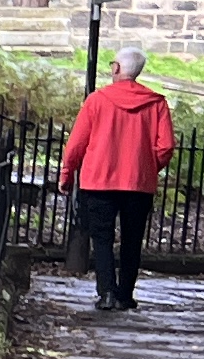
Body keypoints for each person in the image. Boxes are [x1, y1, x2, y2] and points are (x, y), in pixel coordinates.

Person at [61, 48, 176, 310]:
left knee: (101, 238)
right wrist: (147, 167)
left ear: (116, 69)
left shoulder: (97, 100)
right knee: (132, 239)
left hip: (99, 181)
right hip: (138, 183)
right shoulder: (156, 103)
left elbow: (77, 144)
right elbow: (166, 146)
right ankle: (125, 294)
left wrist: (67, 175)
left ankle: (107, 293)